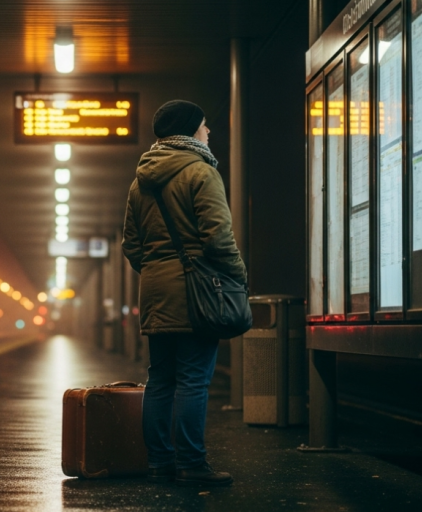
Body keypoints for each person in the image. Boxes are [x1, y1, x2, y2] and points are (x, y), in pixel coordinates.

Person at [121, 100, 246, 487]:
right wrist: (238, 274)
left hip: (157, 292)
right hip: (197, 292)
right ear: (191, 131)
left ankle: (160, 462)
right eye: (205, 127)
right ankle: (192, 463)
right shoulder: (200, 171)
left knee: (161, 379)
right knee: (193, 379)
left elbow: (131, 245)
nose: (208, 133)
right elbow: (218, 237)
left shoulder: (140, 181)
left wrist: (158, 269)